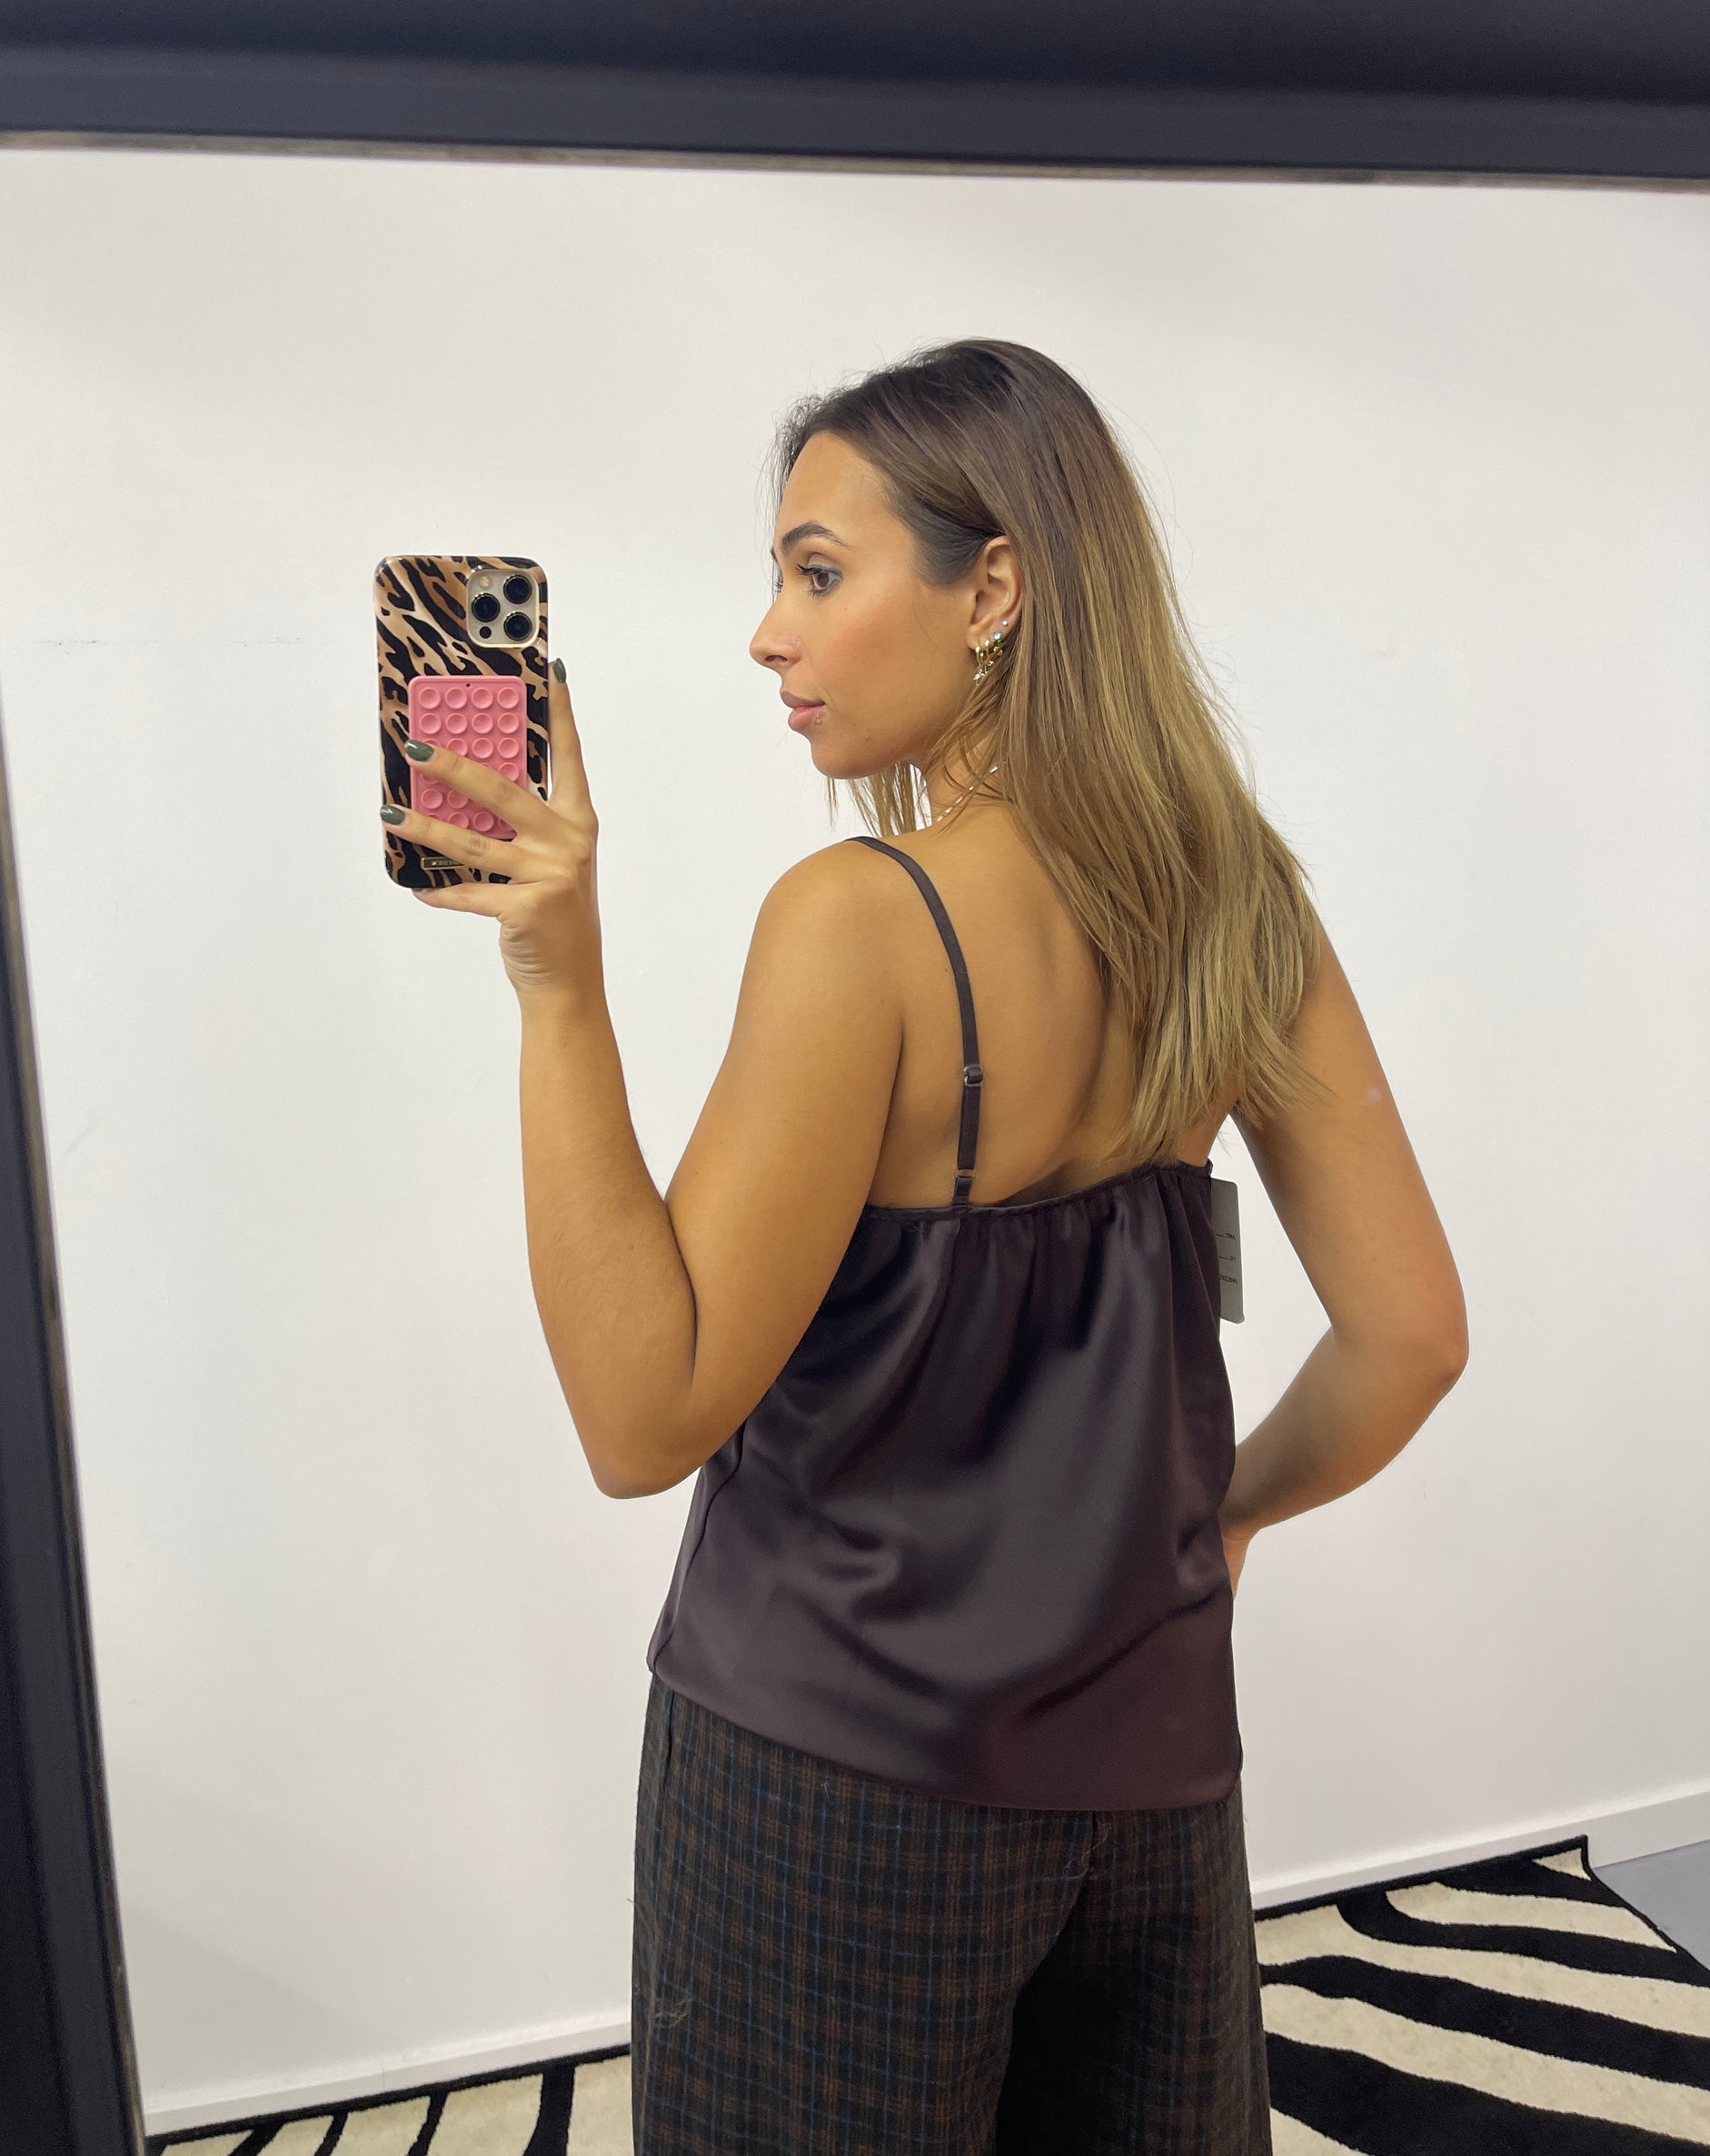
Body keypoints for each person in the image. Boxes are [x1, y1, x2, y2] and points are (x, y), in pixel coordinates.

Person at [387, 338, 1469, 2153]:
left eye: (818, 572)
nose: (768, 635)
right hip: (1155, 1777)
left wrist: (556, 984)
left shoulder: (860, 922)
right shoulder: (1239, 900)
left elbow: (640, 1417)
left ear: (996, 588)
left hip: (836, 1790)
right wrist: (1219, 1522)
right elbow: (1411, 1335)